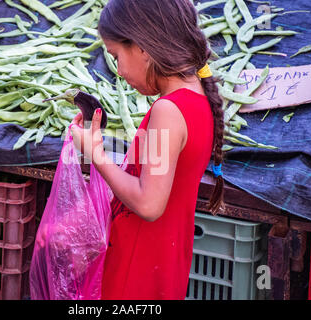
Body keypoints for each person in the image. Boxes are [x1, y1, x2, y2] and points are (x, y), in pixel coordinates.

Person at [69, 0, 226, 300]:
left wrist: (96, 155)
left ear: (141, 46)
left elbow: (149, 204)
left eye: (117, 56)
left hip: (135, 272)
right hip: (163, 266)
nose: (118, 70)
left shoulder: (168, 109)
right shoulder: (198, 100)